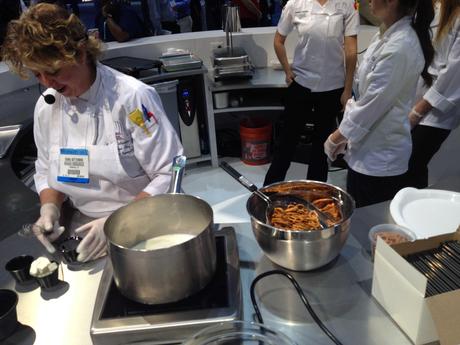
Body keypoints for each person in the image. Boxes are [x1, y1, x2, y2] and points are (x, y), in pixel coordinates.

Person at [1, 3, 183, 262]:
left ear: (81, 52)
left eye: (53, 71)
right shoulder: (47, 107)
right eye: (36, 73)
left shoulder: (132, 99)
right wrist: (49, 208)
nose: (46, 83)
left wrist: (117, 223)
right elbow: (45, 169)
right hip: (83, 229)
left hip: (147, 224)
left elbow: (169, 172)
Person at [324, 0, 434, 207]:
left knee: (370, 225)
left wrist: (336, 137)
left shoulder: (400, 46)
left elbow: (371, 106)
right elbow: (366, 90)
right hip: (367, 149)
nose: (368, 1)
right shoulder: (385, 34)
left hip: (380, 158)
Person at [263, 0, 359, 186]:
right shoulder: (295, 4)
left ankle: (315, 195)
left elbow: (351, 49)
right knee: (286, 143)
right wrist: (287, 70)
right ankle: (269, 192)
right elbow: (278, 40)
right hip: (302, 84)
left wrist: (347, 89)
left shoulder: (347, 4)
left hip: (333, 87)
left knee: (322, 148)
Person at [404, 0, 460, 189]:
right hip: (414, 96)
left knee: (413, 165)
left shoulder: (455, 13)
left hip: (437, 109)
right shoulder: (428, 5)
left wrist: (419, 110)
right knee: (409, 167)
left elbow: (454, 73)